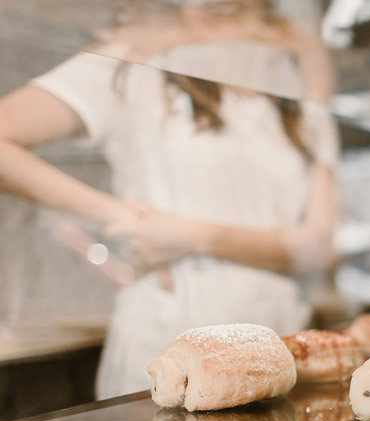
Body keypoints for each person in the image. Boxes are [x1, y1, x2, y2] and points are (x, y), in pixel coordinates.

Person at [0, 0, 340, 398]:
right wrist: (119, 217)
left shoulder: (293, 90)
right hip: (169, 344)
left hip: (277, 341)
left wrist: (193, 236)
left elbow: (320, 246)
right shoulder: (133, 65)